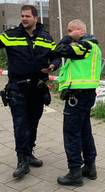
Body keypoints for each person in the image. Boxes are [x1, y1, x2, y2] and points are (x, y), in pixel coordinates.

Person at [0, 5, 61, 178]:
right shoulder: (10, 36)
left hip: (38, 89)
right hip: (17, 89)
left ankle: (29, 153)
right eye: (22, 16)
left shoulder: (46, 38)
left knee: (33, 123)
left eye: (27, 16)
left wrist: (53, 65)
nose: (24, 19)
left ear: (36, 18)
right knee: (20, 125)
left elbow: (57, 56)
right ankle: (22, 161)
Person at [54, 19, 102, 186]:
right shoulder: (92, 46)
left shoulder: (85, 46)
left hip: (78, 96)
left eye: (69, 31)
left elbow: (59, 50)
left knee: (71, 133)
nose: (67, 34)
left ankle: (75, 173)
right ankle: (90, 167)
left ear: (79, 30)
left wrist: (68, 38)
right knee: (84, 131)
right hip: (86, 95)